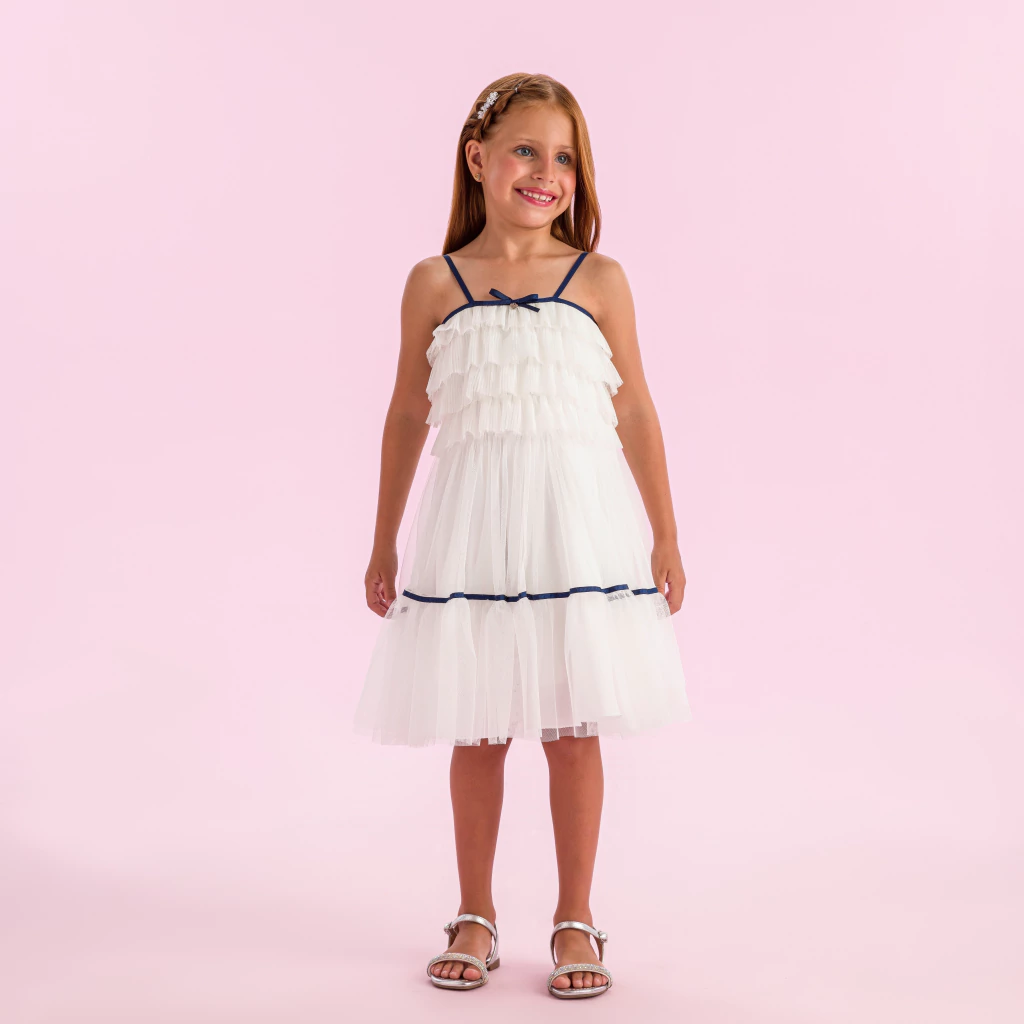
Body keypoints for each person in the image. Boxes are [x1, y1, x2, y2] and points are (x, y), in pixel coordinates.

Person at [354, 72, 691, 999]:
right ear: (478, 159)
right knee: (477, 729)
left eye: (566, 158)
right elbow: (407, 414)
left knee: (573, 731)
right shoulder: (436, 282)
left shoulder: (599, 280)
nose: (548, 173)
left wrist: (665, 535)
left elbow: (636, 412)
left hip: (572, 536)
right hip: (474, 534)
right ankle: (475, 911)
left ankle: (575, 917)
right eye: (527, 151)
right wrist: (383, 541)